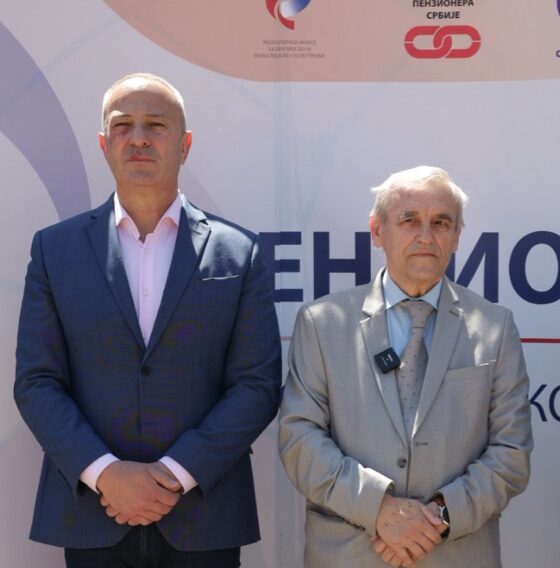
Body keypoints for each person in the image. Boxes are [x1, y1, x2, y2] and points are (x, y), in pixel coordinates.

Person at [13, 72, 282, 567]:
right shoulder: (54, 250)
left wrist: (175, 474)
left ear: (185, 145)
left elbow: (257, 384)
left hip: (203, 516)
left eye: (156, 125)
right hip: (93, 514)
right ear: (104, 144)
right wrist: (105, 473)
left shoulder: (237, 251)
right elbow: (37, 382)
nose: (138, 138)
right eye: (123, 125)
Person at [279, 166, 533, 567]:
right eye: (409, 220)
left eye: (441, 222)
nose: (426, 236)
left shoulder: (495, 328)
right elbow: (300, 440)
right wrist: (379, 510)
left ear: (456, 236)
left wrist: (438, 518)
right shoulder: (322, 324)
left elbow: (511, 453)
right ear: (377, 231)